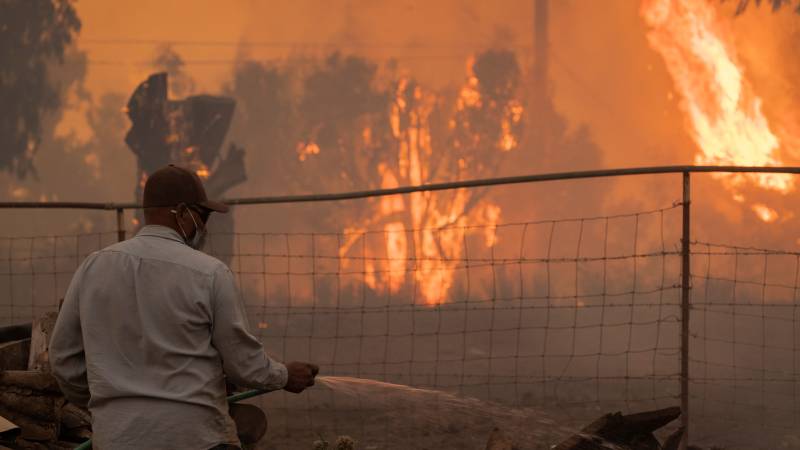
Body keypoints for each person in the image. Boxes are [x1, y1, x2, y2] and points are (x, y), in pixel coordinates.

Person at [50, 164, 318, 449]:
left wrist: (111, 403)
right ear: (181, 212)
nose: (204, 226)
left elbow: (64, 359)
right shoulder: (210, 273)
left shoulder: (93, 268)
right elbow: (244, 365)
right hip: (194, 437)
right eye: (202, 216)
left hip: (117, 437)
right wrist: (285, 375)